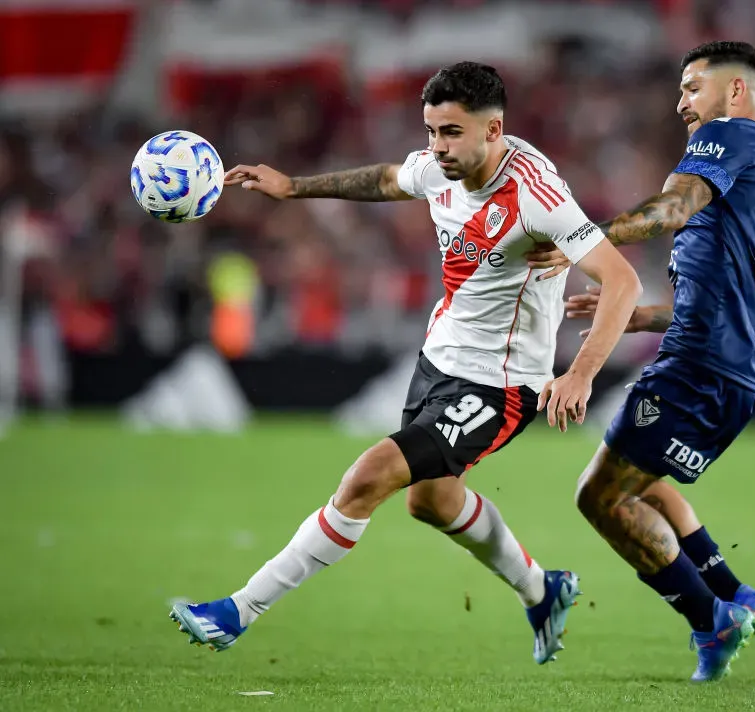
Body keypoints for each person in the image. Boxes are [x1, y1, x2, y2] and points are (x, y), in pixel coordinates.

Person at [169, 62, 642, 664]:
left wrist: (580, 373)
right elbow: (386, 179)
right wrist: (294, 187)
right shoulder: (438, 168)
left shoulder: (536, 195)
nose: (436, 147)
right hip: (437, 363)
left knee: (368, 477)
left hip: (501, 386)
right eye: (430, 131)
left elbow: (621, 281)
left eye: (450, 132)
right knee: (432, 500)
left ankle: (237, 611)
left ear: (493, 129)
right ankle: (542, 590)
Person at [526, 40, 755, 681]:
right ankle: (736, 594)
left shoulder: (729, 137)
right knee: (642, 477)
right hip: (743, 363)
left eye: (691, 87)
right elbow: (736, 293)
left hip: (703, 363)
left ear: (734, 92)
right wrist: (639, 315)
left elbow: (672, 209)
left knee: (599, 497)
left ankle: (712, 620)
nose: (681, 102)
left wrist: (580, 242)